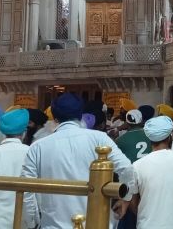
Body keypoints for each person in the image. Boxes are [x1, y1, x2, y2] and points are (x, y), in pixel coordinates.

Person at [21, 93, 137, 229]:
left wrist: (32, 222)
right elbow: (127, 169)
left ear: (55, 117)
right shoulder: (99, 138)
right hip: (96, 223)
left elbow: (26, 188)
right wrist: (126, 199)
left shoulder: (38, 146)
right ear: (81, 114)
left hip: (53, 225)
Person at [132, 116, 173, 229]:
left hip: (147, 225)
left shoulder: (137, 166)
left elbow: (133, 203)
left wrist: (146, 214)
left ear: (149, 138)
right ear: (169, 137)